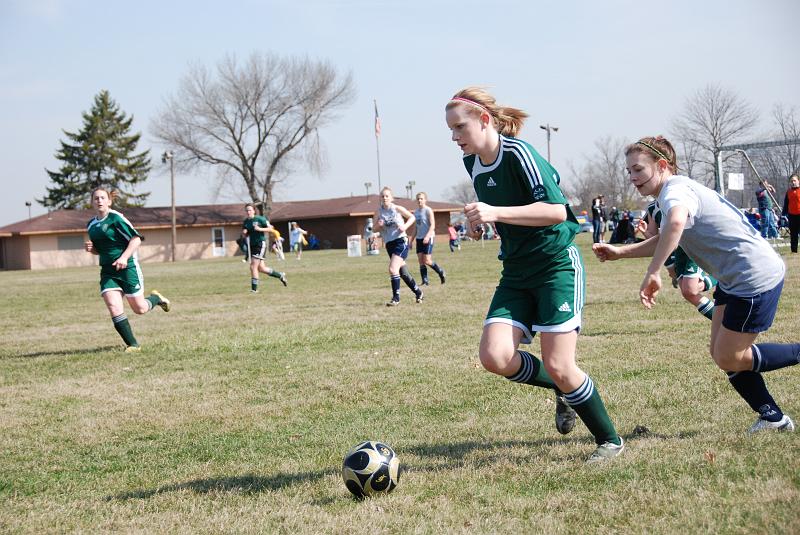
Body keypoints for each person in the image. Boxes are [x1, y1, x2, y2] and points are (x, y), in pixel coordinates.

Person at [445, 87, 623, 462]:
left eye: (460, 127)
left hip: (555, 265)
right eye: (451, 130)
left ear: (485, 120)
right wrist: (481, 224)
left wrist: (494, 212)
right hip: (515, 271)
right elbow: (500, 212)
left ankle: (609, 440)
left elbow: (557, 212)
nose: (455, 137)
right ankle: (561, 389)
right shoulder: (473, 162)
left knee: (561, 365)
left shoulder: (519, 153)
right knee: (495, 357)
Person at [594, 135, 798, 433]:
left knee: (732, 356)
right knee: (720, 353)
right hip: (735, 276)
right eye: (629, 171)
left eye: (638, 169)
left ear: (662, 165)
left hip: (753, 276)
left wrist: (653, 272)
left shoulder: (675, 191)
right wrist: (621, 252)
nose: (632, 177)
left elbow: (675, 224)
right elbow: (668, 235)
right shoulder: (674, 191)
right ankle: (773, 418)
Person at [84, 186, 170, 352]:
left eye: (103, 198)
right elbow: (100, 250)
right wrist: (91, 249)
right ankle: (133, 345)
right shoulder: (91, 225)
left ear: (109, 201)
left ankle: (155, 299)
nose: (99, 201)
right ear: (92, 203)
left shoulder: (116, 218)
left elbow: (136, 239)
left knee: (140, 309)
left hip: (127, 268)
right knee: (113, 306)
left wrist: (123, 258)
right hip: (108, 271)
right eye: (96, 198)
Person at [373, 186, 424, 306]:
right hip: (389, 244)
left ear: (391, 198)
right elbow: (374, 228)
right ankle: (419, 292)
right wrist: (378, 226)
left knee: (392, 269)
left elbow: (412, 217)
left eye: (387, 196)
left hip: (401, 241)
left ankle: (396, 298)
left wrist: (405, 227)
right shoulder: (379, 212)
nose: (384, 198)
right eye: (382, 196)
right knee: (403, 273)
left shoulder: (397, 208)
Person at [242, 204, 287, 293]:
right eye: (246, 210)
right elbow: (245, 232)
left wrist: (260, 229)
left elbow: (271, 229)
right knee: (261, 268)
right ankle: (280, 275)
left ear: (254, 211)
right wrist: (244, 232)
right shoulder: (246, 221)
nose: (248, 212)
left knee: (253, 266)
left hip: (260, 244)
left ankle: (254, 289)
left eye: (250, 210)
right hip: (252, 245)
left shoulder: (260, 219)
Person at [409, 192, 446, 285]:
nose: (419, 200)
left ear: (425, 200)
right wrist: (410, 241)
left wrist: (427, 236)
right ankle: (425, 281)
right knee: (421, 261)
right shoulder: (416, 212)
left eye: (421, 198)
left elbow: (432, 225)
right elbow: (415, 228)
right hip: (419, 238)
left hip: (428, 237)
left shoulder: (428, 210)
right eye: (418, 199)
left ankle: (441, 272)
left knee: (427, 260)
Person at [782, 174, 800, 253]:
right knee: (793, 234)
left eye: (794, 180)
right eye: (792, 181)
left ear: (798, 181)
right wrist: (783, 214)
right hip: (792, 215)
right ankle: (794, 251)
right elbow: (786, 204)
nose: (793, 182)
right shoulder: (788, 192)